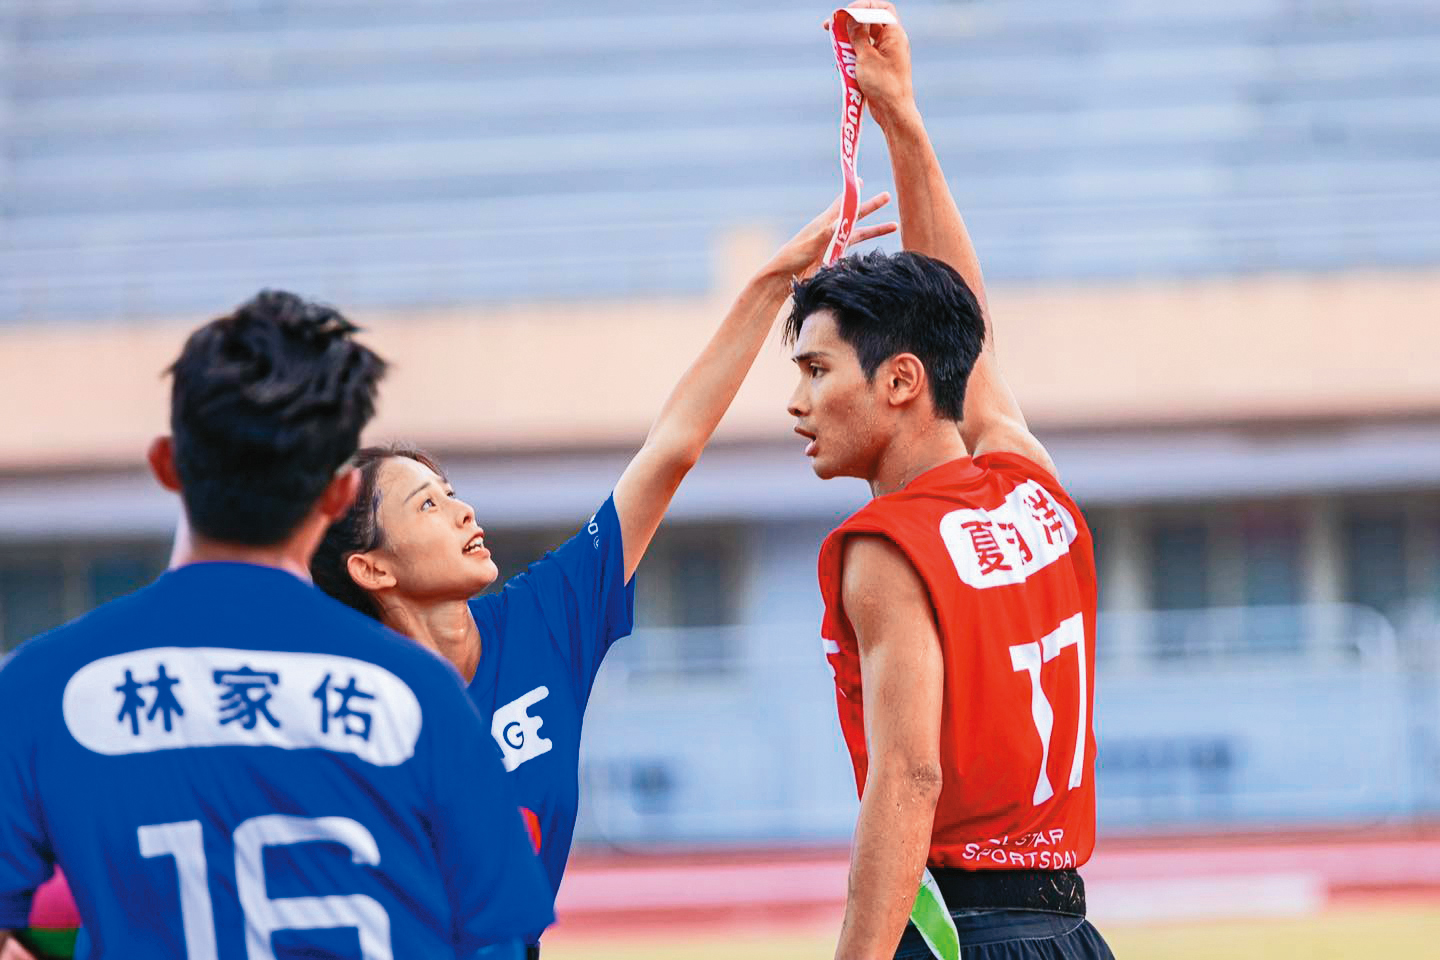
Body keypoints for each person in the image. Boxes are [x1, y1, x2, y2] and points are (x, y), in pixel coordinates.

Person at [308, 193, 898, 954]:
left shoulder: (544, 621)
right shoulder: (332, 702)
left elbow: (672, 448)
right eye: (428, 504)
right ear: (370, 566)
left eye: (452, 492)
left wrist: (771, 282)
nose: (461, 511)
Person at [0, 291, 554, 959]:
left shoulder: (39, 689)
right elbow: (501, 941)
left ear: (166, 464)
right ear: (336, 494)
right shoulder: (424, 697)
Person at [788, 4, 1114, 959]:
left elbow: (910, 781)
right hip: (1070, 931)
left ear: (897, 382)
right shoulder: (1032, 485)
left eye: (815, 370)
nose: (798, 403)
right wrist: (903, 119)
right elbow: (960, 330)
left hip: (967, 929)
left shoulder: (889, 550)